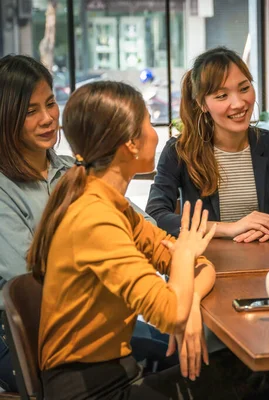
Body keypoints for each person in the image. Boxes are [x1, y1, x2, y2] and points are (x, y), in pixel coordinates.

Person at [28, 80, 219, 399]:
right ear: (131, 144)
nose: (156, 132)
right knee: (255, 378)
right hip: (90, 388)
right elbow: (171, 312)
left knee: (250, 374)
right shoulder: (95, 217)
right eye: (148, 122)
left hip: (117, 371)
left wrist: (192, 302)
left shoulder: (111, 204)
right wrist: (184, 255)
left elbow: (201, 267)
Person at [0, 55, 171, 393]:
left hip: (89, 321)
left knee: (170, 341)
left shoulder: (72, 169)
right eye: (31, 111)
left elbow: (141, 225)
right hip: (25, 336)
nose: (49, 118)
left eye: (50, 103)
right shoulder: (5, 189)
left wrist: (211, 235)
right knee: (175, 351)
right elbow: (31, 284)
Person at [146, 47, 269, 243]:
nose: (238, 103)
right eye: (221, 96)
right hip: (207, 264)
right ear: (202, 104)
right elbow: (156, 215)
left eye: (244, 88)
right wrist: (229, 228)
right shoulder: (180, 151)